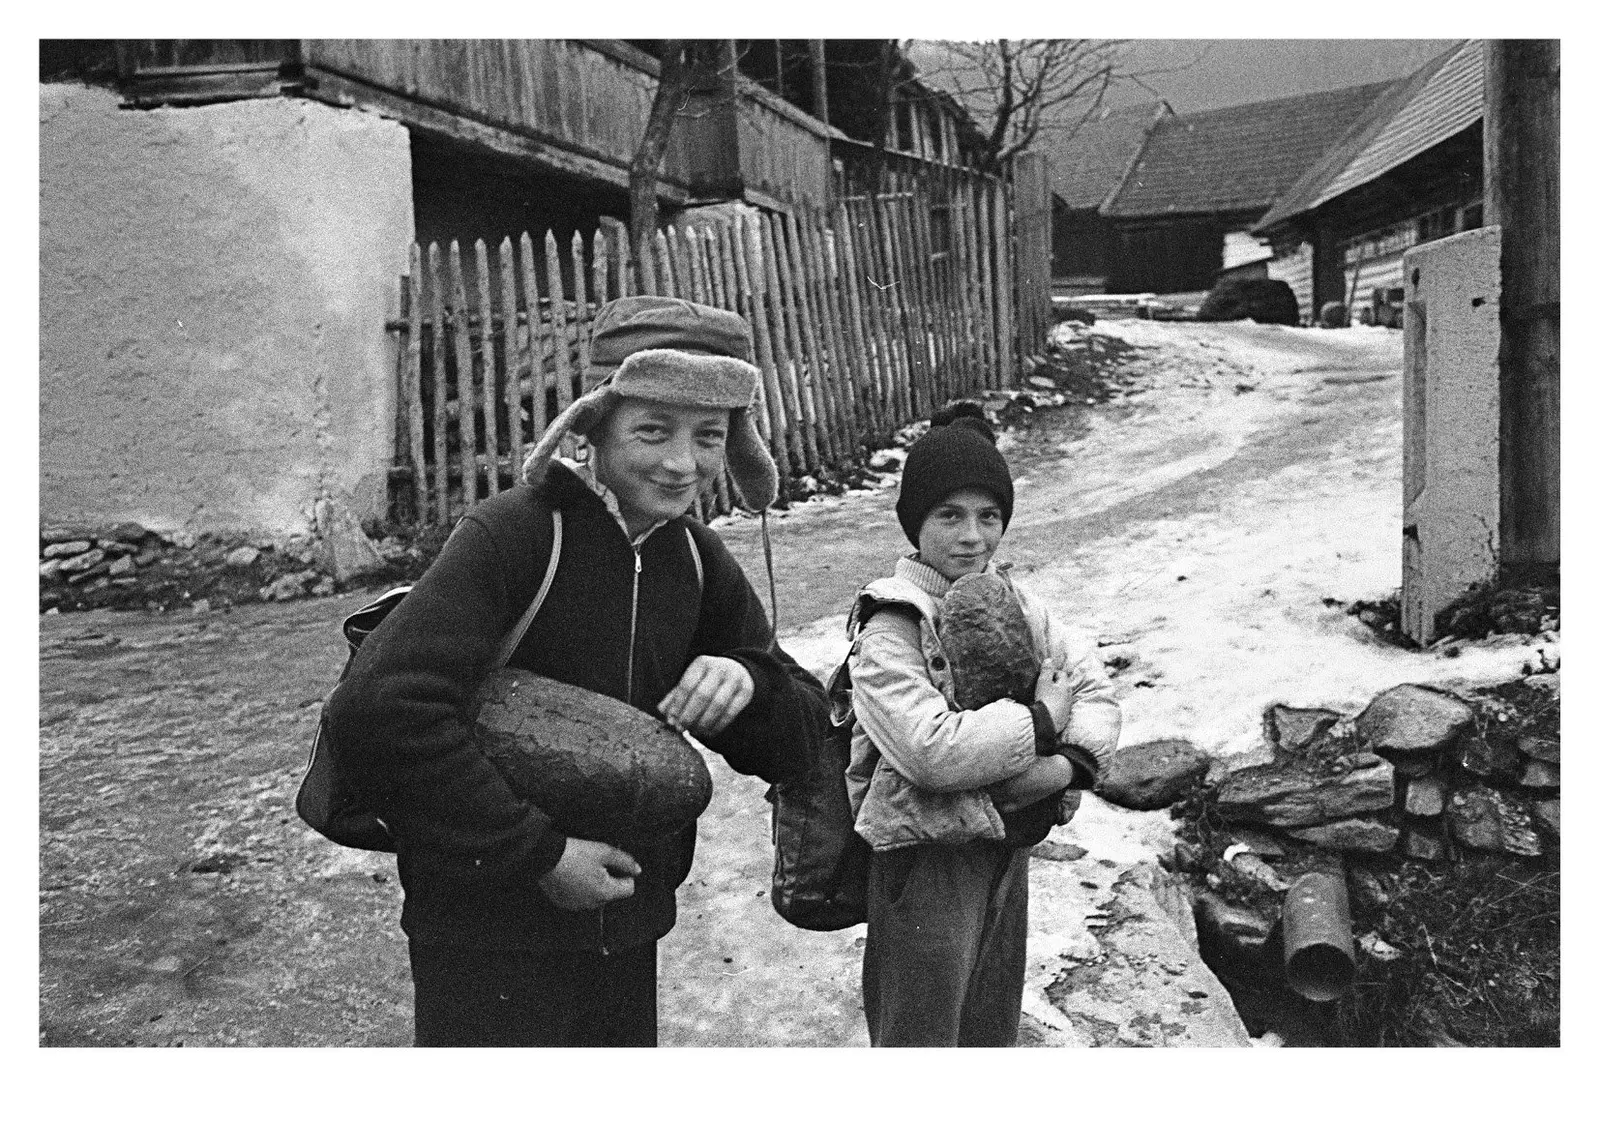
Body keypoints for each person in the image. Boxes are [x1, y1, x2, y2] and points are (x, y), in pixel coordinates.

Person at [325, 295, 827, 1047]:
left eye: (708, 437)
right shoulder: (514, 536)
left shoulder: (694, 560)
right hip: (486, 933)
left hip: (626, 928)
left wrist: (749, 680)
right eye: (652, 431)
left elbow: (802, 739)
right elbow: (382, 710)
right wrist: (541, 856)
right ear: (593, 427)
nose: (681, 463)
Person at [843, 402, 1122, 1047]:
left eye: (988, 516)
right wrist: (1041, 721)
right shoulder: (893, 624)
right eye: (950, 516)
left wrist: (1065, 767)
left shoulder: (1020, 604)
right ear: (916, 523)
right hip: (925, 857)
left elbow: (1097, 689)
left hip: (1005, 847)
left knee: (989, 1031)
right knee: (922, 1038)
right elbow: (931, 752)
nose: (973, 536)